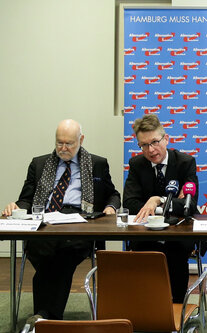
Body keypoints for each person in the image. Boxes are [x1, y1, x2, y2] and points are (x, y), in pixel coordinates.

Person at [2, 119, 120, 322]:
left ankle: (44, 316)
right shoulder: (39, 164)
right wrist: (16, 207)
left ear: (81, 140)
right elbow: (26, 199)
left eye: (69, 143)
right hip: (45, 220)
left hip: (81, 222)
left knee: (61, 252)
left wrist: (110, 207)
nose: (63, 148)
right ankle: (46, 316)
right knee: (52, 253)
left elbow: (113, 194)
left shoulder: (97, 164)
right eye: (59, 143)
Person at [123, 114, 198, 302]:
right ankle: (148, 309)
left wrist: (156, 200)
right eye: (144, 145)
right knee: (144, 254)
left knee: (175, 253)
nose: (151, 150)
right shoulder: (137, 164)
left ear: (166, 139)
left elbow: (189, 205)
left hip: (178, 233)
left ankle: (177, 310)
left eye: (155, 142)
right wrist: (168, 205)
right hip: (145, 234)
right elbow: (130, 204)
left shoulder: (184, 163)